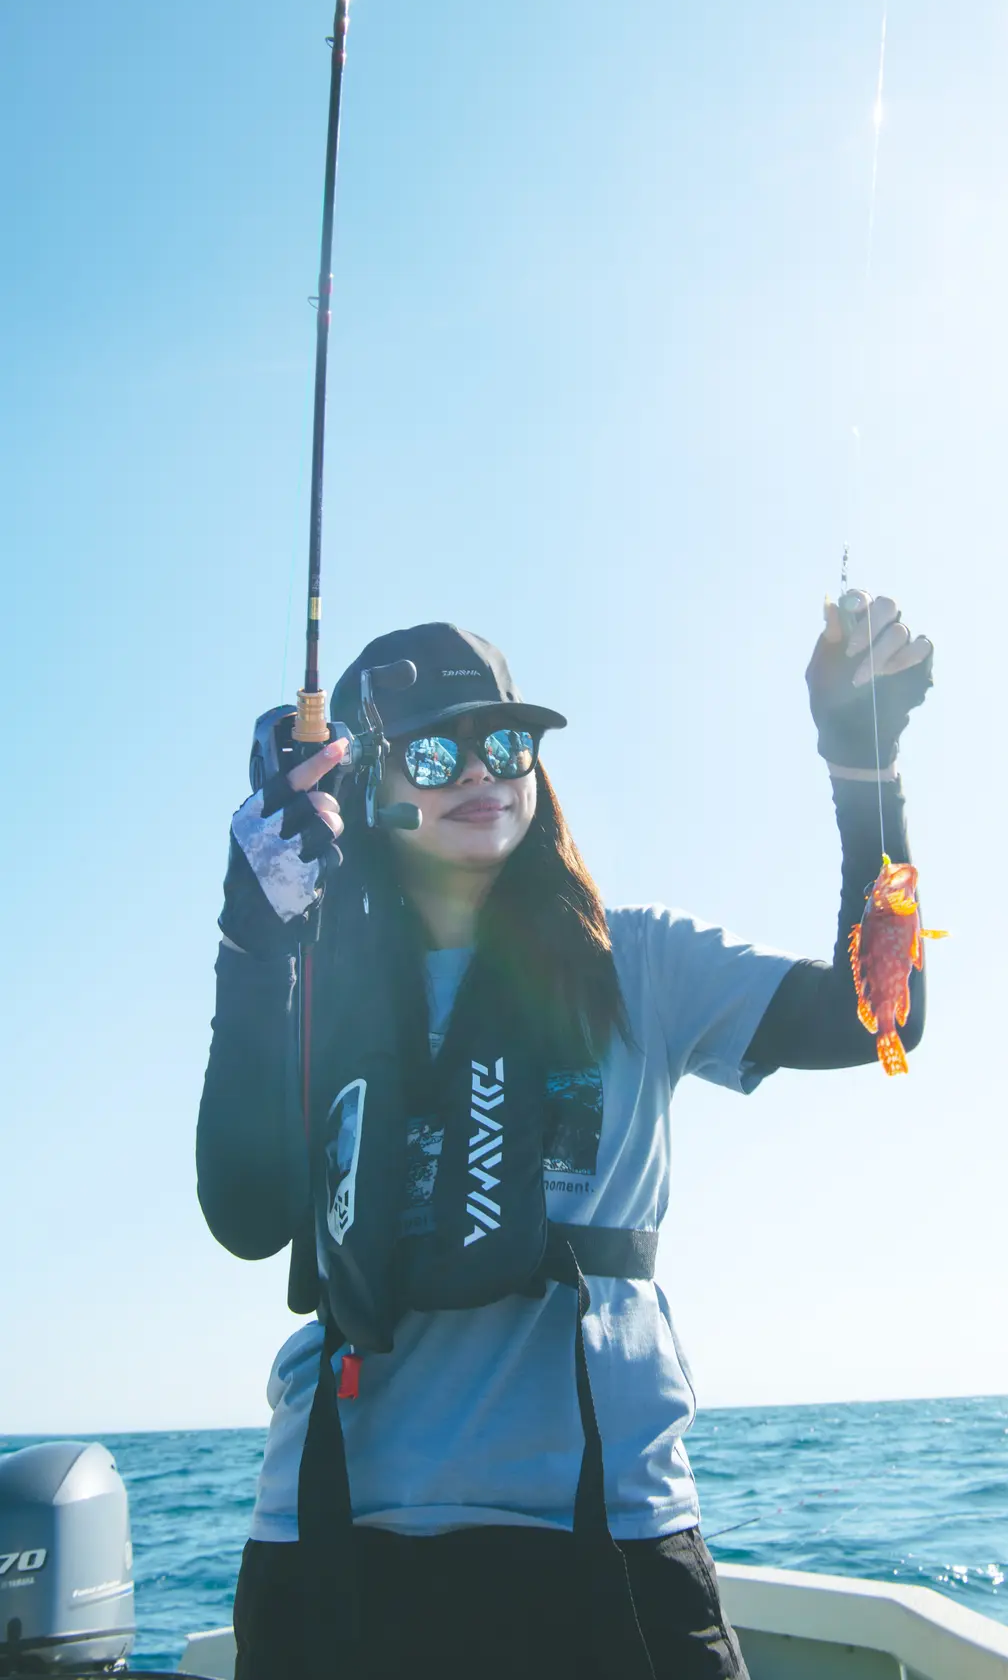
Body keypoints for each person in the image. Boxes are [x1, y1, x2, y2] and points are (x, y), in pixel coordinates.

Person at [197, 597, 934, 1680]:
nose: (481, 770)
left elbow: (885, 1016)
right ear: (364, 790)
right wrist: (250, 950)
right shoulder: (309, 988)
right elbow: (245, 1217)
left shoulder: (639, 964)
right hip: (334, 1552)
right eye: (436, 749)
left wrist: (865, 773)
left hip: (609, 1540)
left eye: (508, 741)